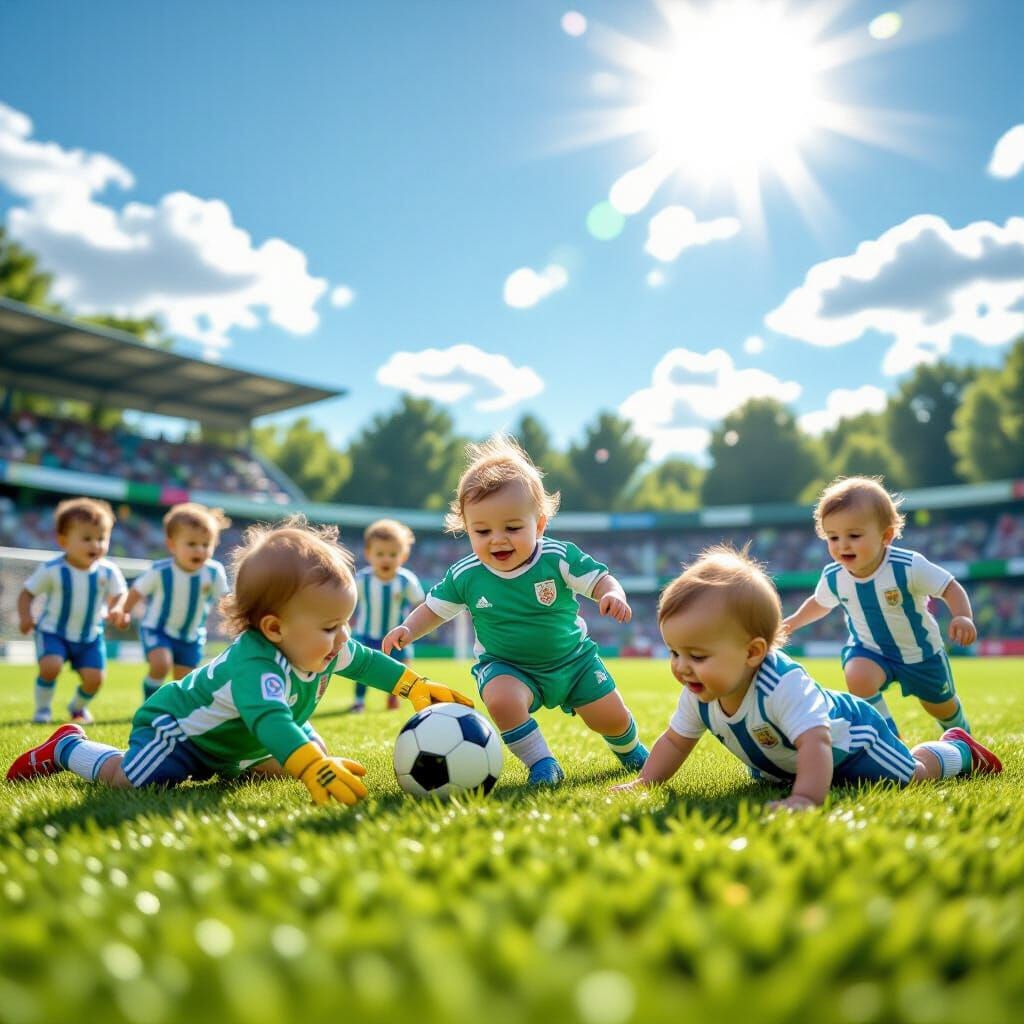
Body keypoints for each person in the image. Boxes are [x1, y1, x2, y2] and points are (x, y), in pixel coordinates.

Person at [7, 517, 473, 805]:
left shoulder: (326, 641)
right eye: (332, 626)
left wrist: (415, 686)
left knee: (308, 747)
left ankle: (248, 765)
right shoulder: (255, 665)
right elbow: (270, 718)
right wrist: (311, 766)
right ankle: (68, 747)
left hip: (241, 741)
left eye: (345, 622)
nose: (343, 636)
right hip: (181, 734)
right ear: (274, 629)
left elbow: (368, 662)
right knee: (134, 780)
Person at [613, 547, 1000, 810]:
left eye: (697, 656)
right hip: (787, 761)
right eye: (674, 652)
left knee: (911, 775)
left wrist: (805, 798)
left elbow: (816, 740)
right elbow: (675, 742)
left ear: (753, 652)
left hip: (851, 740)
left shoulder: (781, 685)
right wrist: (647, 782)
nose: (682, 667)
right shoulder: (700, 691)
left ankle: (957, 749)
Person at [383, 435, 647, 787]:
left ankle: (632, 752)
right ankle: (542, 763)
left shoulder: (557, 557)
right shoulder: (466, 575)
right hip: (508, 666)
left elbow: (600, 579)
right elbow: (434, 609)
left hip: (573, 661)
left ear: (538, 525)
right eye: (482, 530)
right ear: (466, 528)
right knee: (501, 700)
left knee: (610, 717)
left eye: (512, 528)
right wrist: (408, 629)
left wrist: (612, 594)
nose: (497, 539)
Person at [784, 476, 976, 738]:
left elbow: (949, 587)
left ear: (885, 535)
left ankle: (960, 731)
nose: (843, 545)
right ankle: (889, 738)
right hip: (870, 650)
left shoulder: (908, 567)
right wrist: (793, 622)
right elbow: (820, 603)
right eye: (833, 537)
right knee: (857, 674)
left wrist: (963, 616)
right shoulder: (834, 576)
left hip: (919, 654)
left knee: (939, 706)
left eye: (854, 535)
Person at [17, 497, 127, 724]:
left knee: (95, 678)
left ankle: (77, 707)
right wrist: (26, 616)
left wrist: (117, 608)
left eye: (101, 538)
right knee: (50, 666)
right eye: (87, 538)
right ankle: (43, 709)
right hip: (53, 631)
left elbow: (120, 593)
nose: (95, 545)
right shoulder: (52, 569)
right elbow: (27, 593)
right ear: (63, 540)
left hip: (89, 636)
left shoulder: (108, 571)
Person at [118, 503, 231, 703]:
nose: (199, 550)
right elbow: (137, 591)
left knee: (185, 679)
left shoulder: (214, 572)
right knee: (161, 664)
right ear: (172, 545)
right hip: (157, 629)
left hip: (191, 634)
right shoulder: (160, 570)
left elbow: (225, 599)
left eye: (206, 545)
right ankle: (150, 704)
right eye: (192, 544)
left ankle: (174, 712)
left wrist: (235, 617)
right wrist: (124, 611)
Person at [348, 518, 425, 713]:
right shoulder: (361, 580)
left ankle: (393, 698)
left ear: (403, 555)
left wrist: (414, 628)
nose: (386, 559)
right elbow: (348, 602)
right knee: (363, 669)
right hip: (366, 634)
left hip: (397, 636)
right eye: (380, 554)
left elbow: (420, 605)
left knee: (401, 667)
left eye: (392, 554)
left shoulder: (406, 581)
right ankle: (359, 701)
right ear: (368, 554)